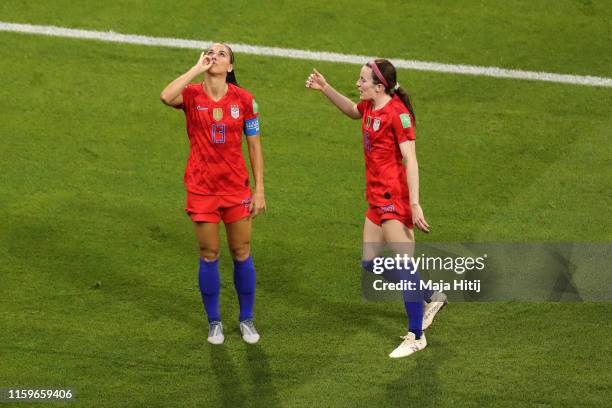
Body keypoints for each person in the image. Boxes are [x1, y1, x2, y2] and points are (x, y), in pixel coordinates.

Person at [305, 59, 446, 358]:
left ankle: (416, 336)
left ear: (379, 86)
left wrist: (415, 204)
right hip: (376, 200)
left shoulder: (398, 114)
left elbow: (412, 160)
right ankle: (430, 296)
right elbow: (350, 111)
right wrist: (325, 88)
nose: (357, 84)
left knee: (405, 267)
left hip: (396, 201)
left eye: (362, 80)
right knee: (370, 262)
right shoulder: (369, 107)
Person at [160, 43, 266, 345]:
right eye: (210, 52)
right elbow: (166, 96)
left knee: (241, 252)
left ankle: (246, 319)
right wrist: (196, 69)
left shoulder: (245, 101)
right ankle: (214, 322)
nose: (214, 56)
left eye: (221, 54)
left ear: (230, 66)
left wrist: (259, 190)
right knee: (209, 254)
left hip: (236, 189)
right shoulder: (192, 95)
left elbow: (255, 146)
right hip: (202, 189)